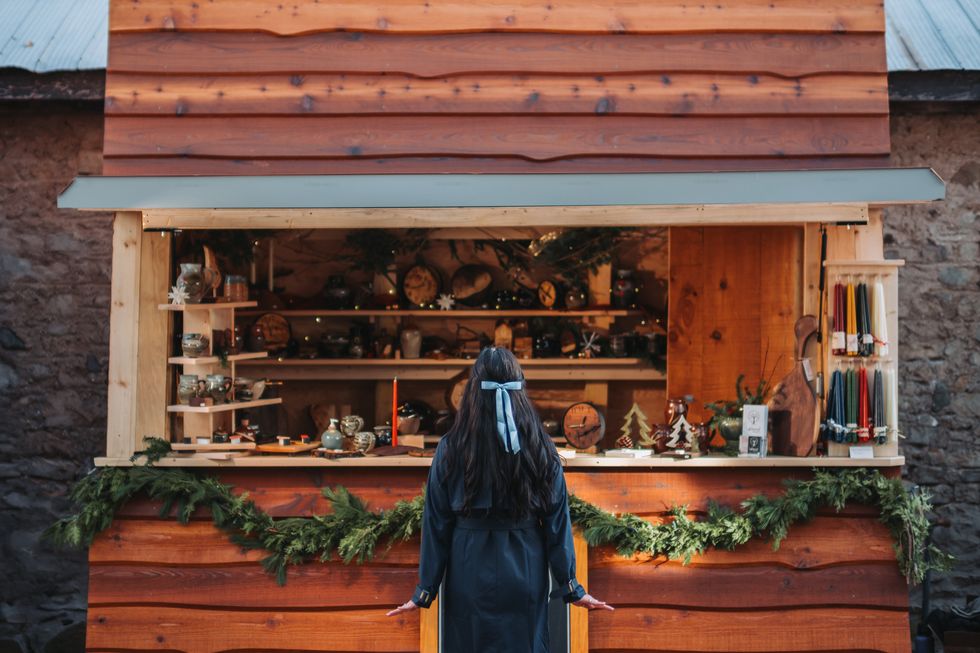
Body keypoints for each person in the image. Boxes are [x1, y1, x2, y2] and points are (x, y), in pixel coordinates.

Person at [386, 347, 613, 651]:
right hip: (524, 563)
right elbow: (557, 521)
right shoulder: (541, 446)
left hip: (468, 566)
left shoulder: (451, 447)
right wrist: (572, 587)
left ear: (471, 391)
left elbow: (436, 522)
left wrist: (425, 590)